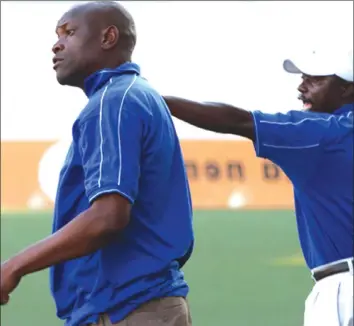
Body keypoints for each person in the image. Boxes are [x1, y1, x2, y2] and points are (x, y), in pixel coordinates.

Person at [0, 2, 194, 326]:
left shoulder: (111, 102)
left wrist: (13, 266)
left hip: (127, 308)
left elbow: (109, 216)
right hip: (144, 304)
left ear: (108, 37)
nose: (57, 44)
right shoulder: (137, 95)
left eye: (70, 32)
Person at [163, 48, 353, 326]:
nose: (302, 87)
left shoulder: (323, 134)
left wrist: (153, 100)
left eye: (315, 79)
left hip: (344, 289)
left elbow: (238, 120)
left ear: (347, 88)